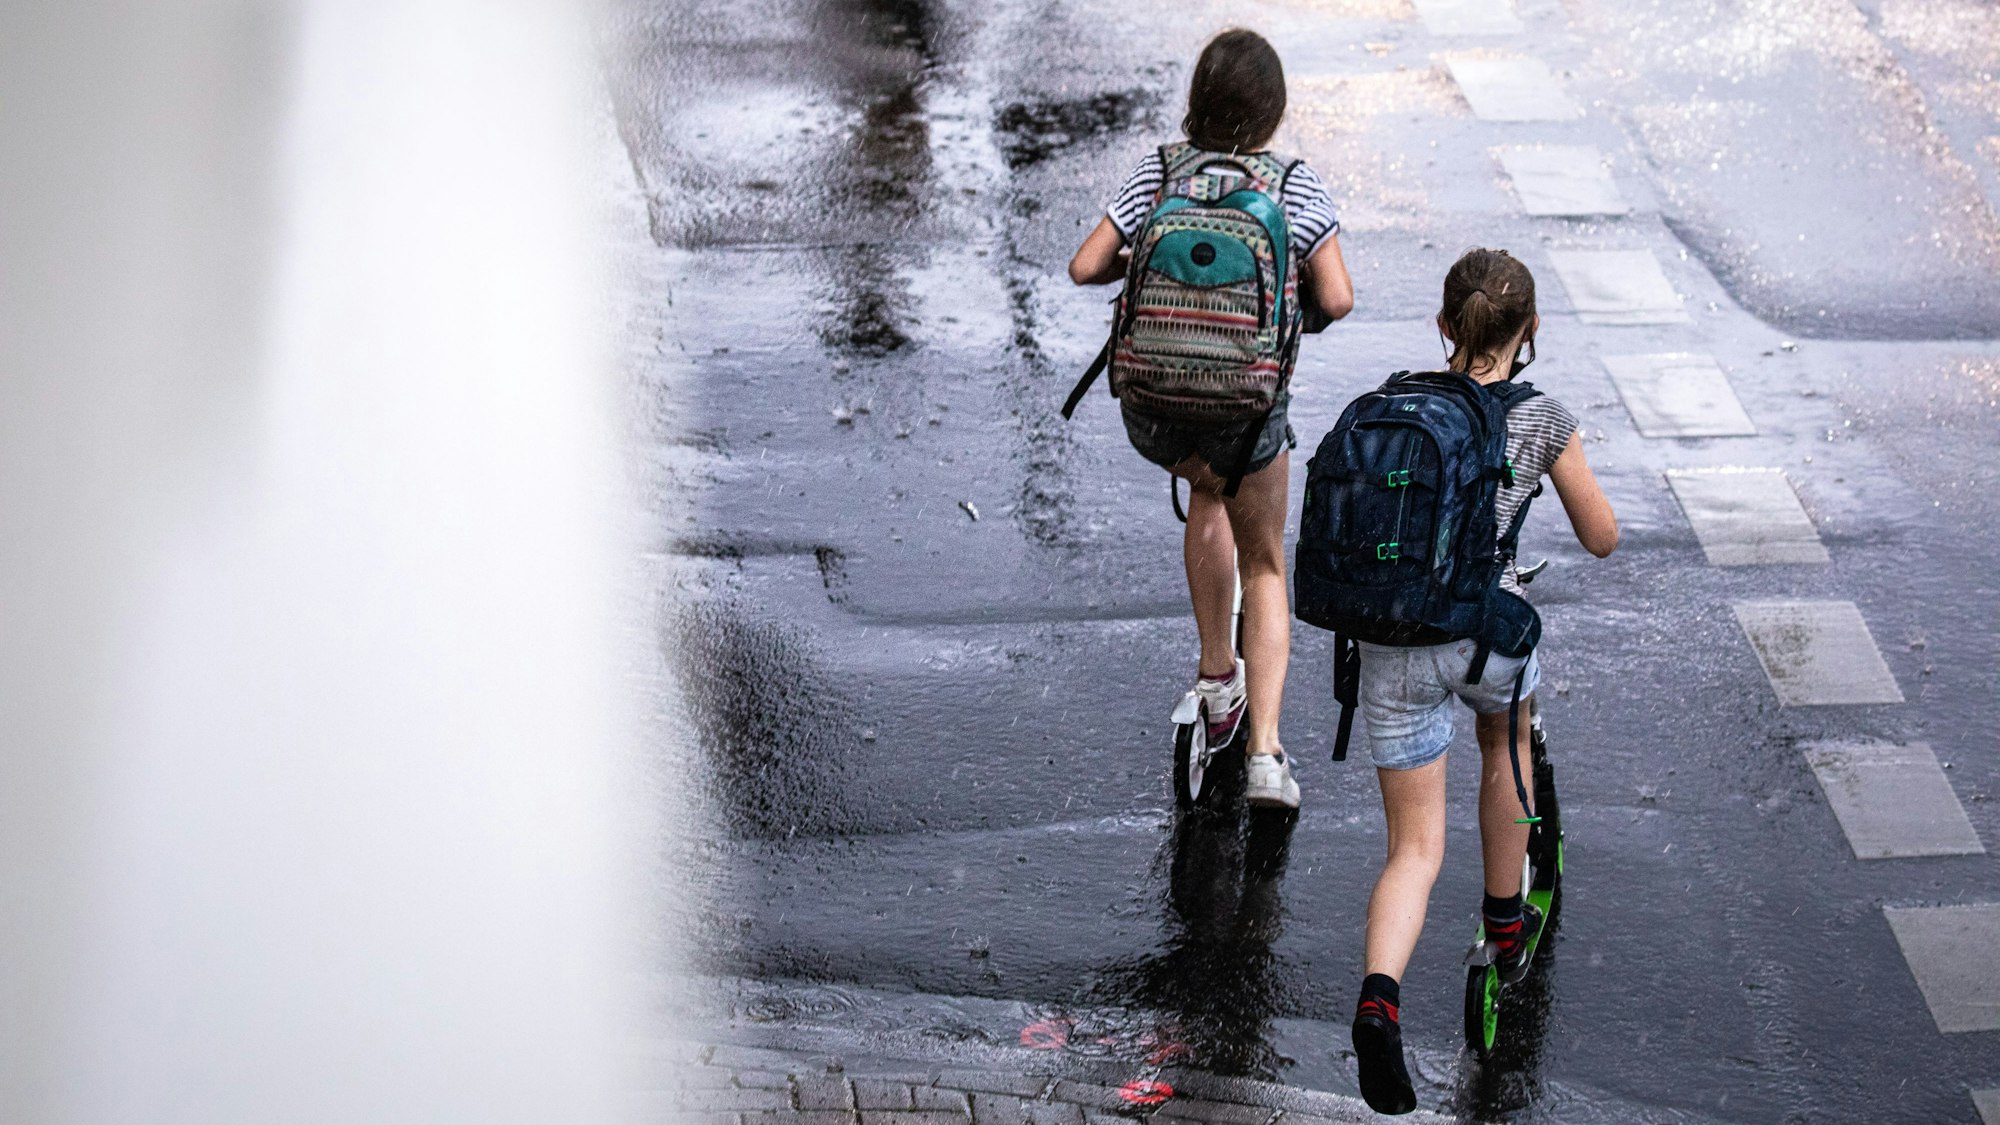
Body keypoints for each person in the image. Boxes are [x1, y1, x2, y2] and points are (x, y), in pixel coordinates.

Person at [1346, 249, 1618, 1114]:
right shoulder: (1540, 418)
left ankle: (1379, 1000)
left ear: (1443, 325)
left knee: (1411, 850)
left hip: (1391, 637)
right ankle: (1505, 920)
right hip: (1485, 632)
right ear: (1530, 331)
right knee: (1503, 737)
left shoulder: (1399, 404)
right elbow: (1602, 534)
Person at [1067, 28, 1354, 809]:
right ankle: (1264, 753)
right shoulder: (1292, 185)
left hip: (1155, 409)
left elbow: (1085, 265)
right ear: (1273, 109)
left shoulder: (1159, 173)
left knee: (1205, 497)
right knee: (1265, 562)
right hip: (1246, 409)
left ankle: (1215, 679)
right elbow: (1335, 298)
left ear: (1197, 100)